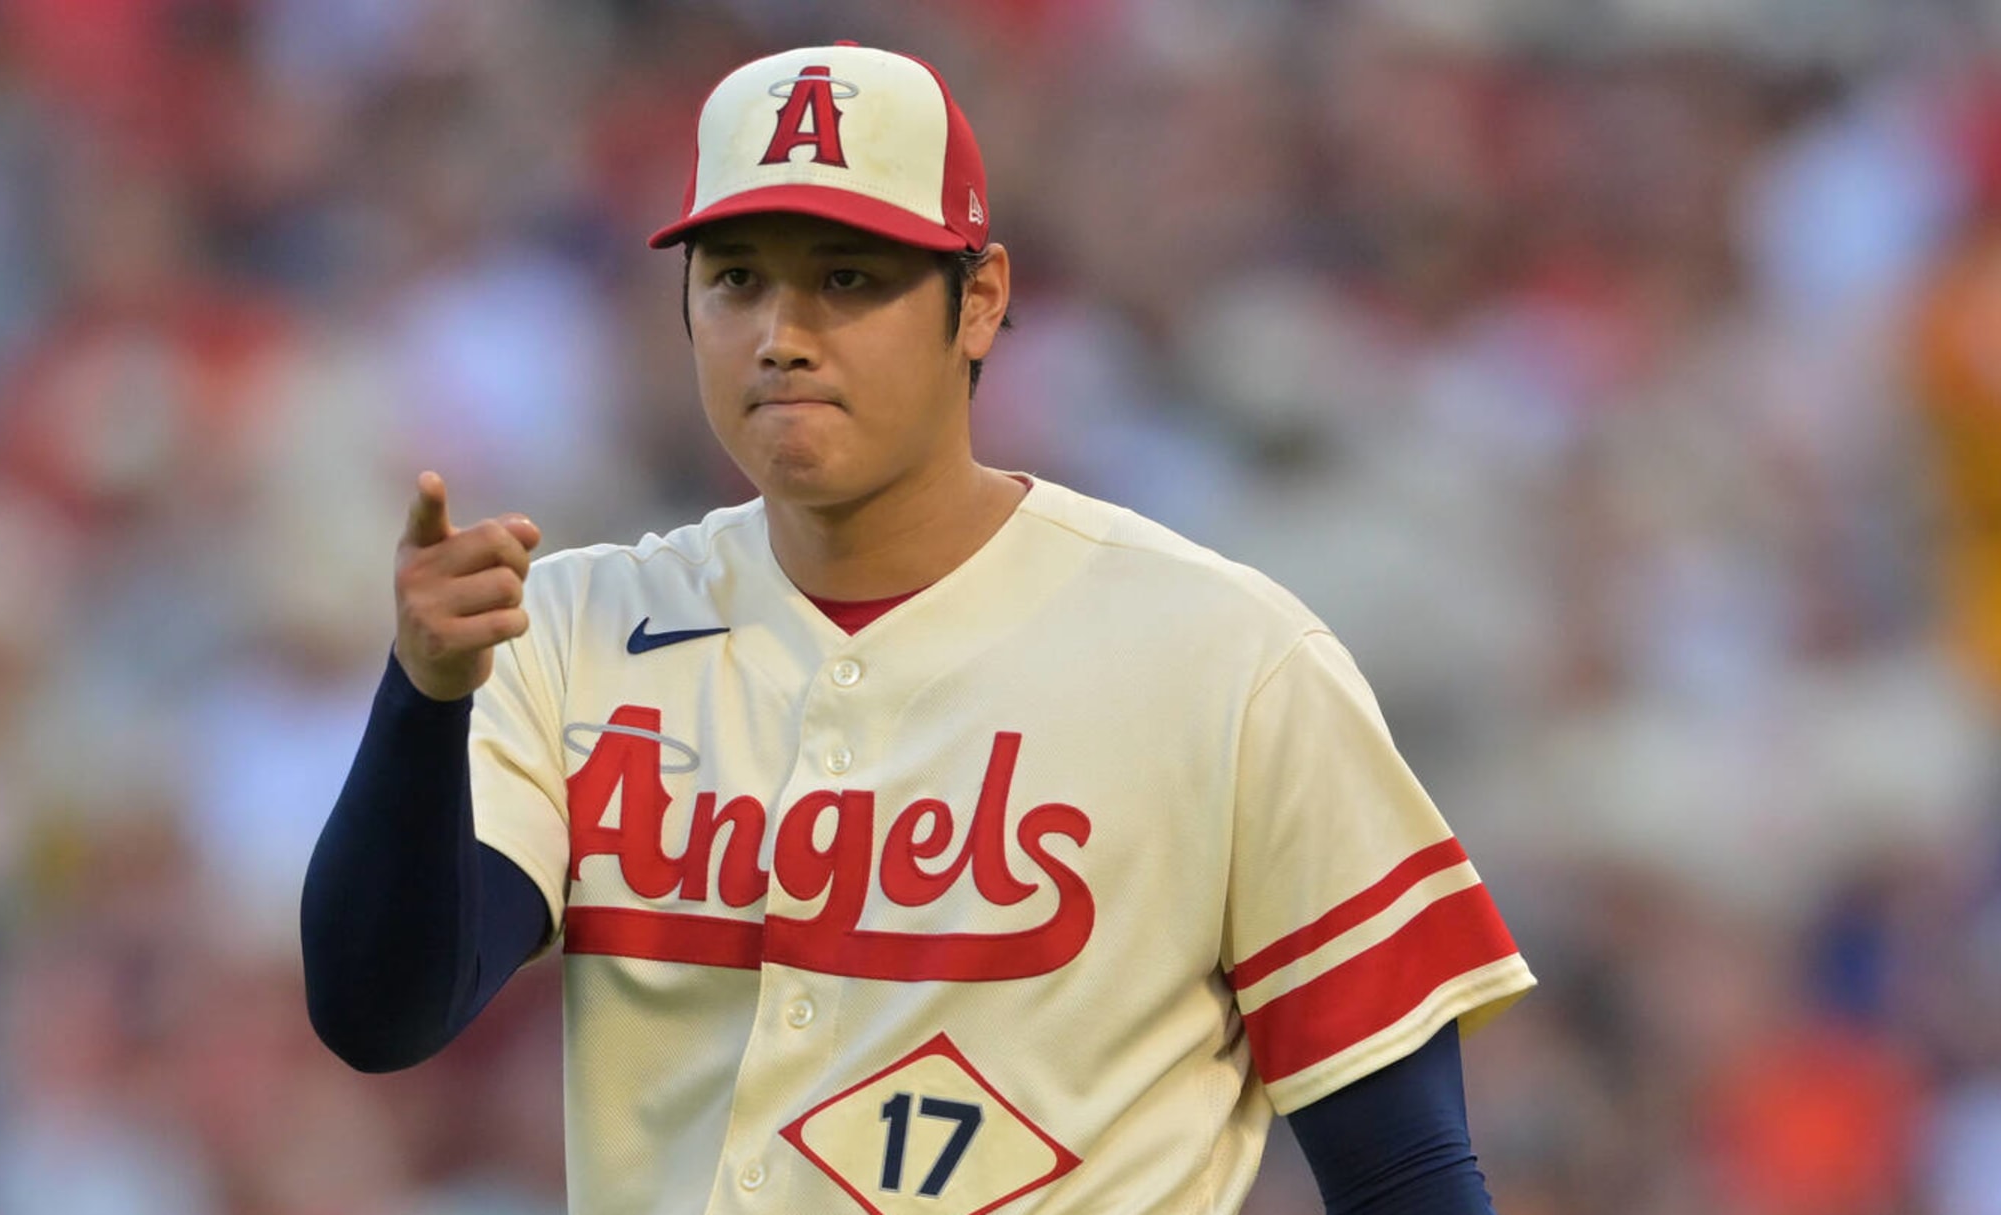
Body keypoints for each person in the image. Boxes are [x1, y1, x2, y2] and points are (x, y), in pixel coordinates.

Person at [302, 41, 1536, 1215]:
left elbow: (1406, 1173)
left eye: (848, 277)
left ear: (981, 299)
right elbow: (382, 1013)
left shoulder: (1231, 664)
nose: (783, 334)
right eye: (737, 278)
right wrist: (424, 700)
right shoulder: (572, 626)